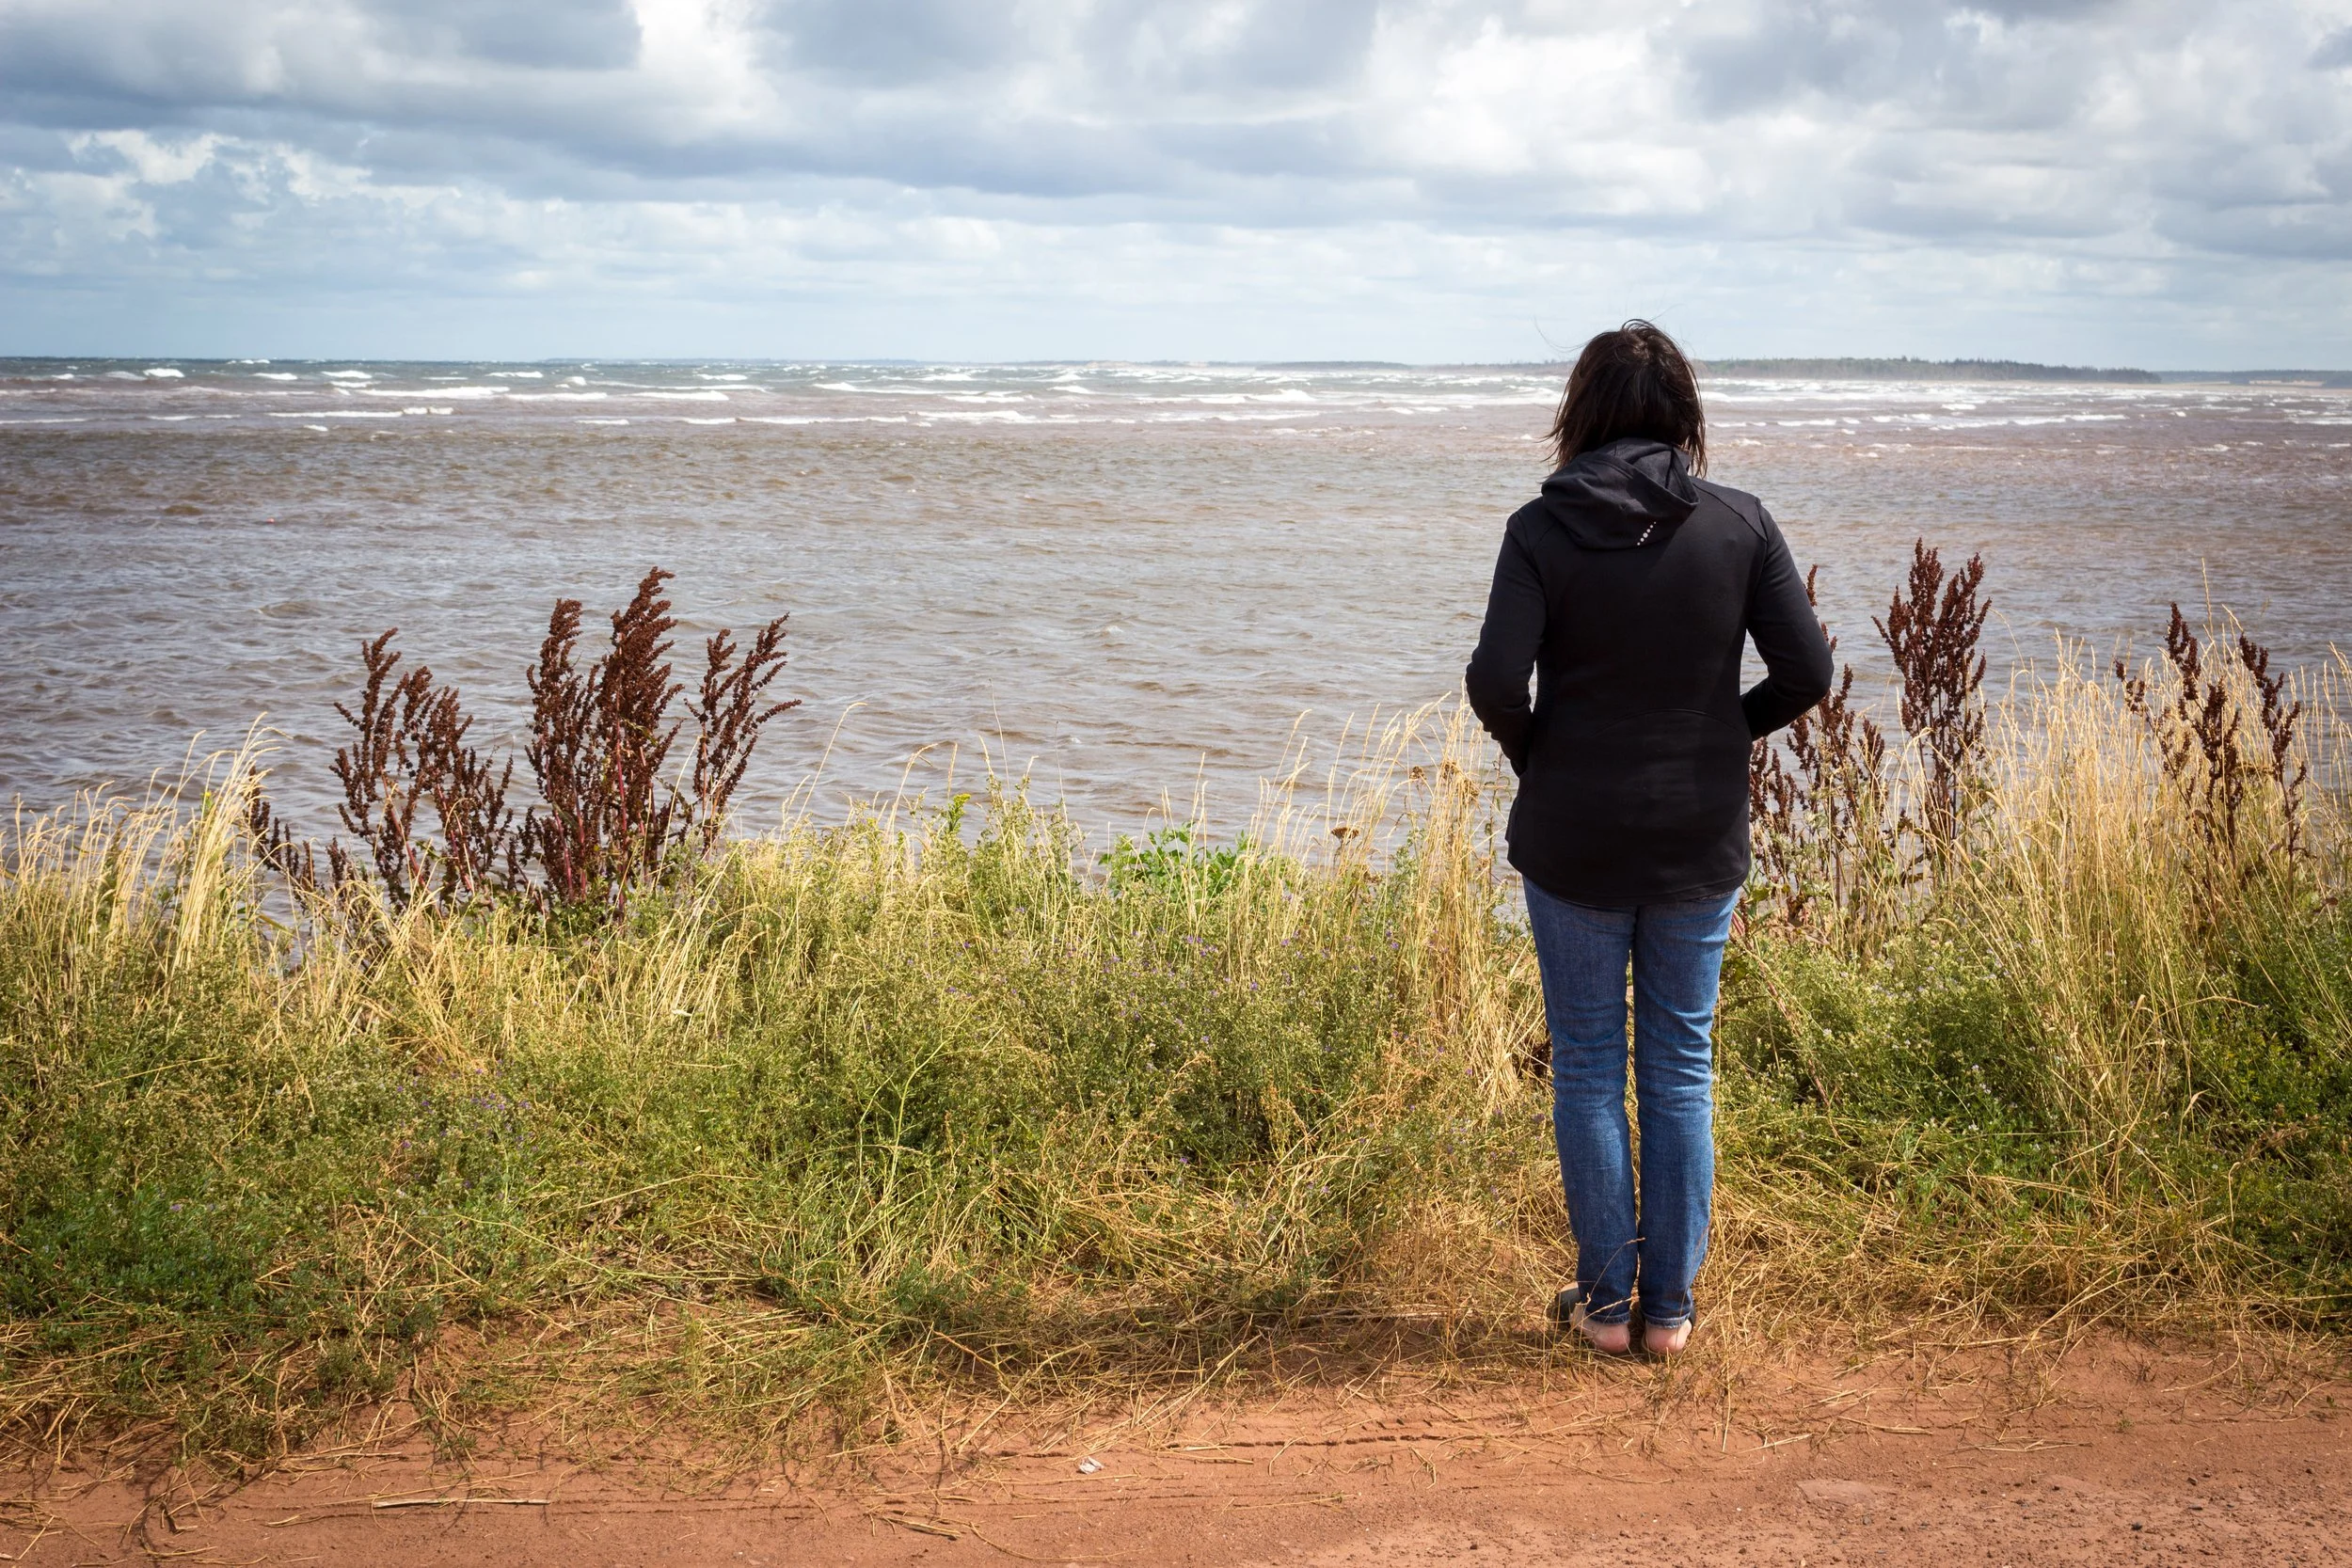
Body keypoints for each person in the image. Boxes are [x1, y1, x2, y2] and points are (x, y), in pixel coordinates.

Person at [1464, 321, 1832, 1359]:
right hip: (1695, 833)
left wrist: (1543, 754)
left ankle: (1604, 1305)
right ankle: (1668, 1314)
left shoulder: (1539, 529)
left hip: (1572, 830)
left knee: (1585, 1064)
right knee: (1678, 1062)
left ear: (1578, 413)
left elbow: (1494, 681)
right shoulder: (1739, 523)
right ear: (1683, 415)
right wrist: (1721, 736)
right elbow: (1808, 673)